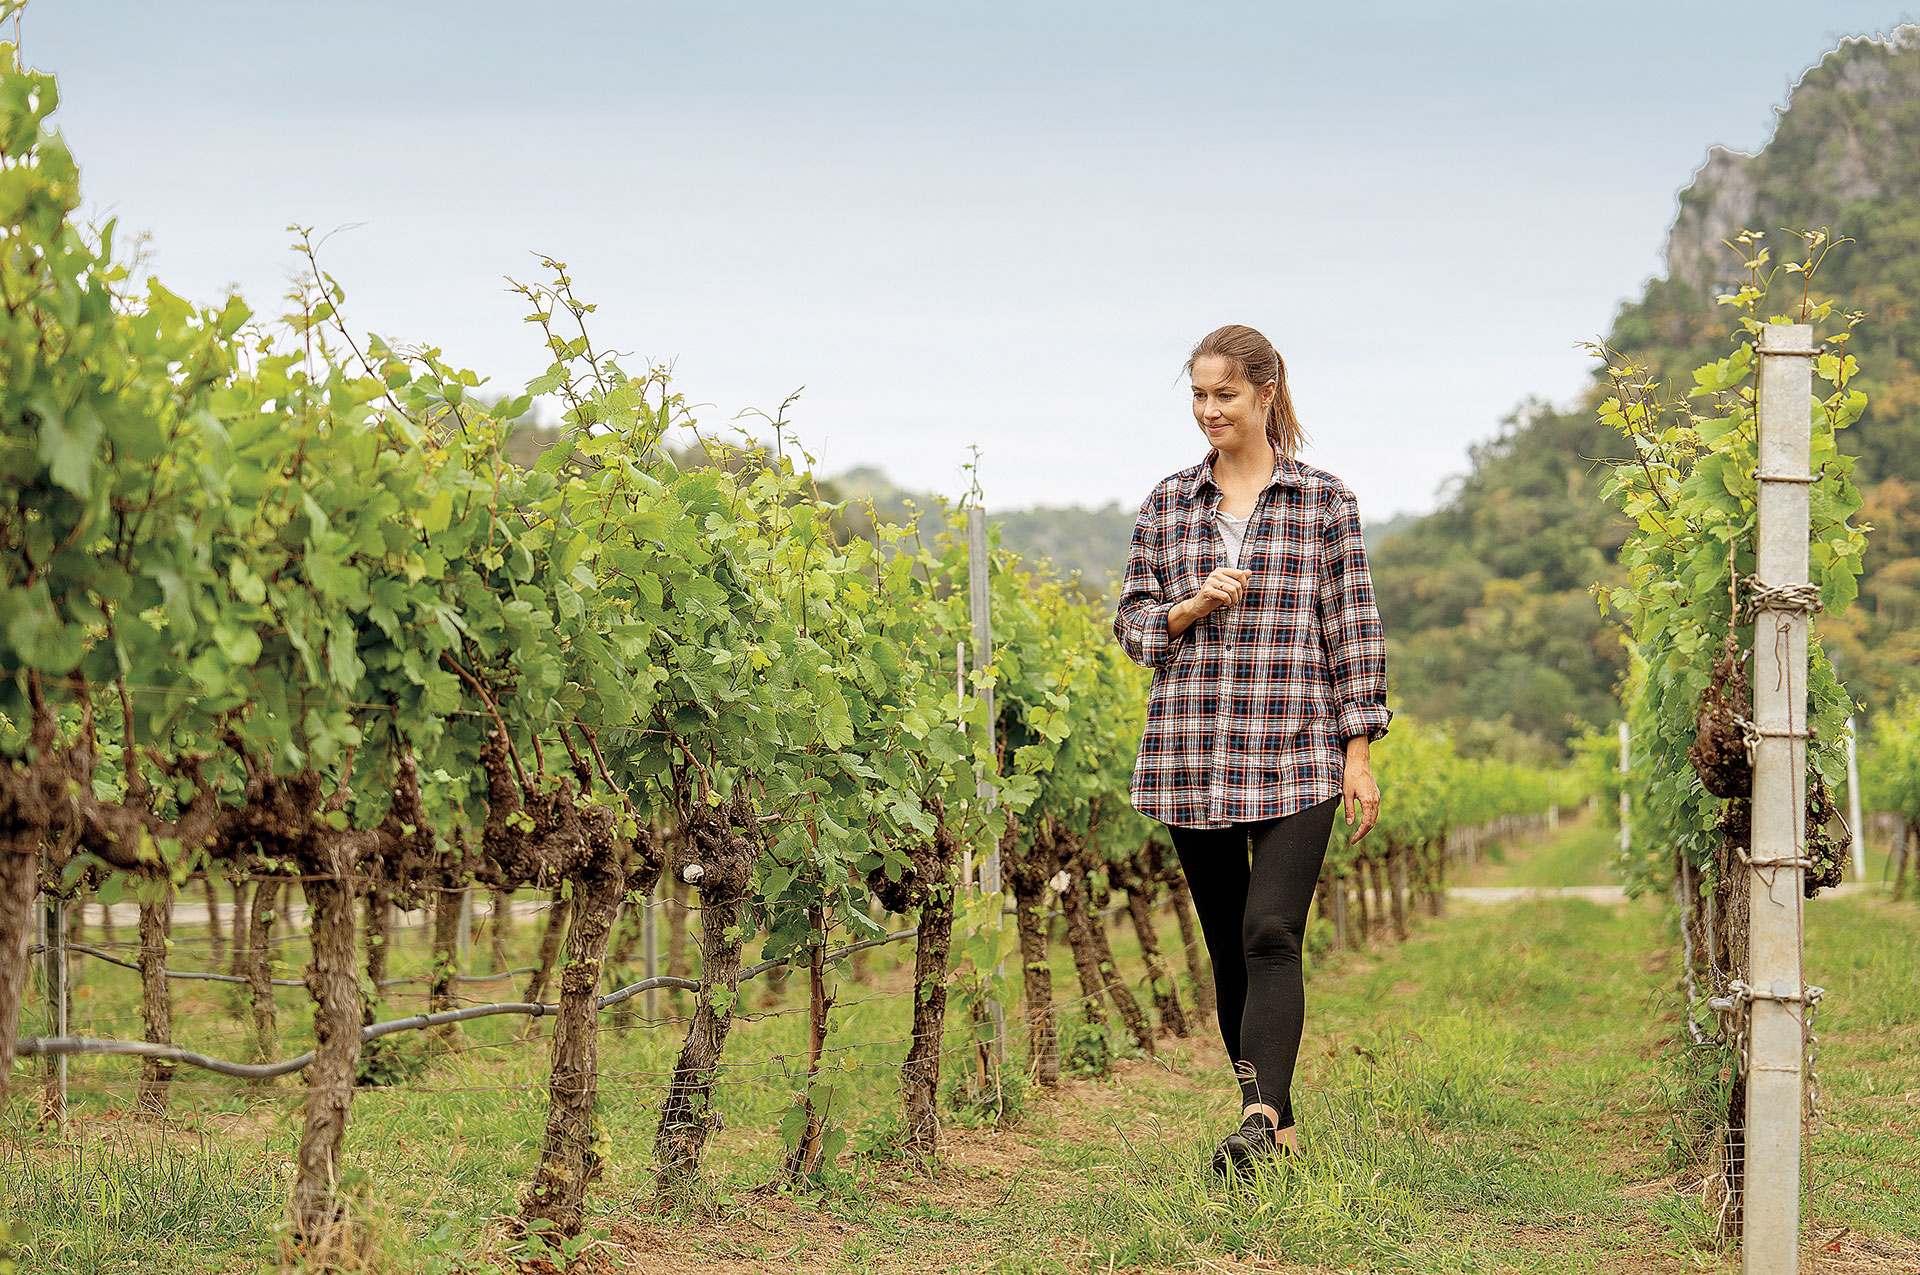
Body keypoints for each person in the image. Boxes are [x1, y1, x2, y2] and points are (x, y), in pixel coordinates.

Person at [1112, 323, 1389, 1176]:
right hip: (1191, 755)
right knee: (1230, 945)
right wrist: (1189, 607)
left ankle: (1260, 1113)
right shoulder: (1167, 503)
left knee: (1273, 930)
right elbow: (1131, 626)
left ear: (1266, 393)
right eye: (1198, 395)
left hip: (1298, 752)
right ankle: (1273, 1122)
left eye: (1224, 394)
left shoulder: (1323, 502)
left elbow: (1353, 631)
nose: (1208, 410)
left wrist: (1359, 752)